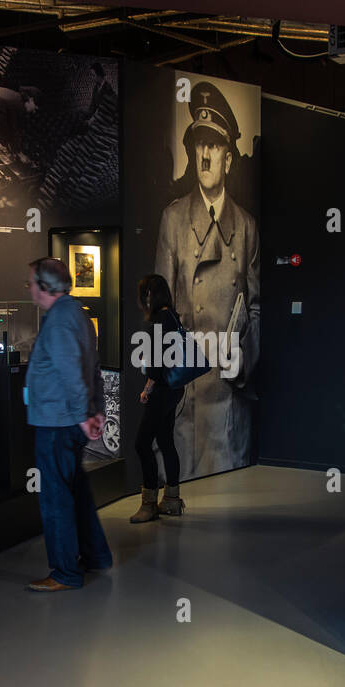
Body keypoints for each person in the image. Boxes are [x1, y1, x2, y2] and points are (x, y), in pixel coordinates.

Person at [155, 80, 260, 480]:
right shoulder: (174, 219)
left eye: (214, 146)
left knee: (230, 506)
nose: (205, 155)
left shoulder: (246, 227)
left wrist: (242, 363)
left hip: (229, 398)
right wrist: (165, 378)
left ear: (228, 158)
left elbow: (255, 305)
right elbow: (159, 309)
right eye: (199, 145)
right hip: (188, 397)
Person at [23, 256, 113, 592]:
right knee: (76, 491)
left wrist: (82, 416)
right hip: (68, 420)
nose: (29, 287)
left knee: (56, 497)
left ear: (45, 286)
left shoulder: (59, 320)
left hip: (57, 422)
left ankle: (64, 572)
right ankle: (95, 555)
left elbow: (71, 374)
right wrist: (96, 410)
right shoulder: (77, 314)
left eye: (31, 282)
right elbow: (93, 368)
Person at [130, 274, 186, 523]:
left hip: (162, 390)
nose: (143, 300)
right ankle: (172, 501)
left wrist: (148, 388)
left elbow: (155, 362)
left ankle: (149, 503)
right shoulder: (172, 315)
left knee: (142, 444)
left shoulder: (159, 319)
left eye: (145, 294)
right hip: (174, 388)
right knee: (165, 441)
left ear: (150, 295)